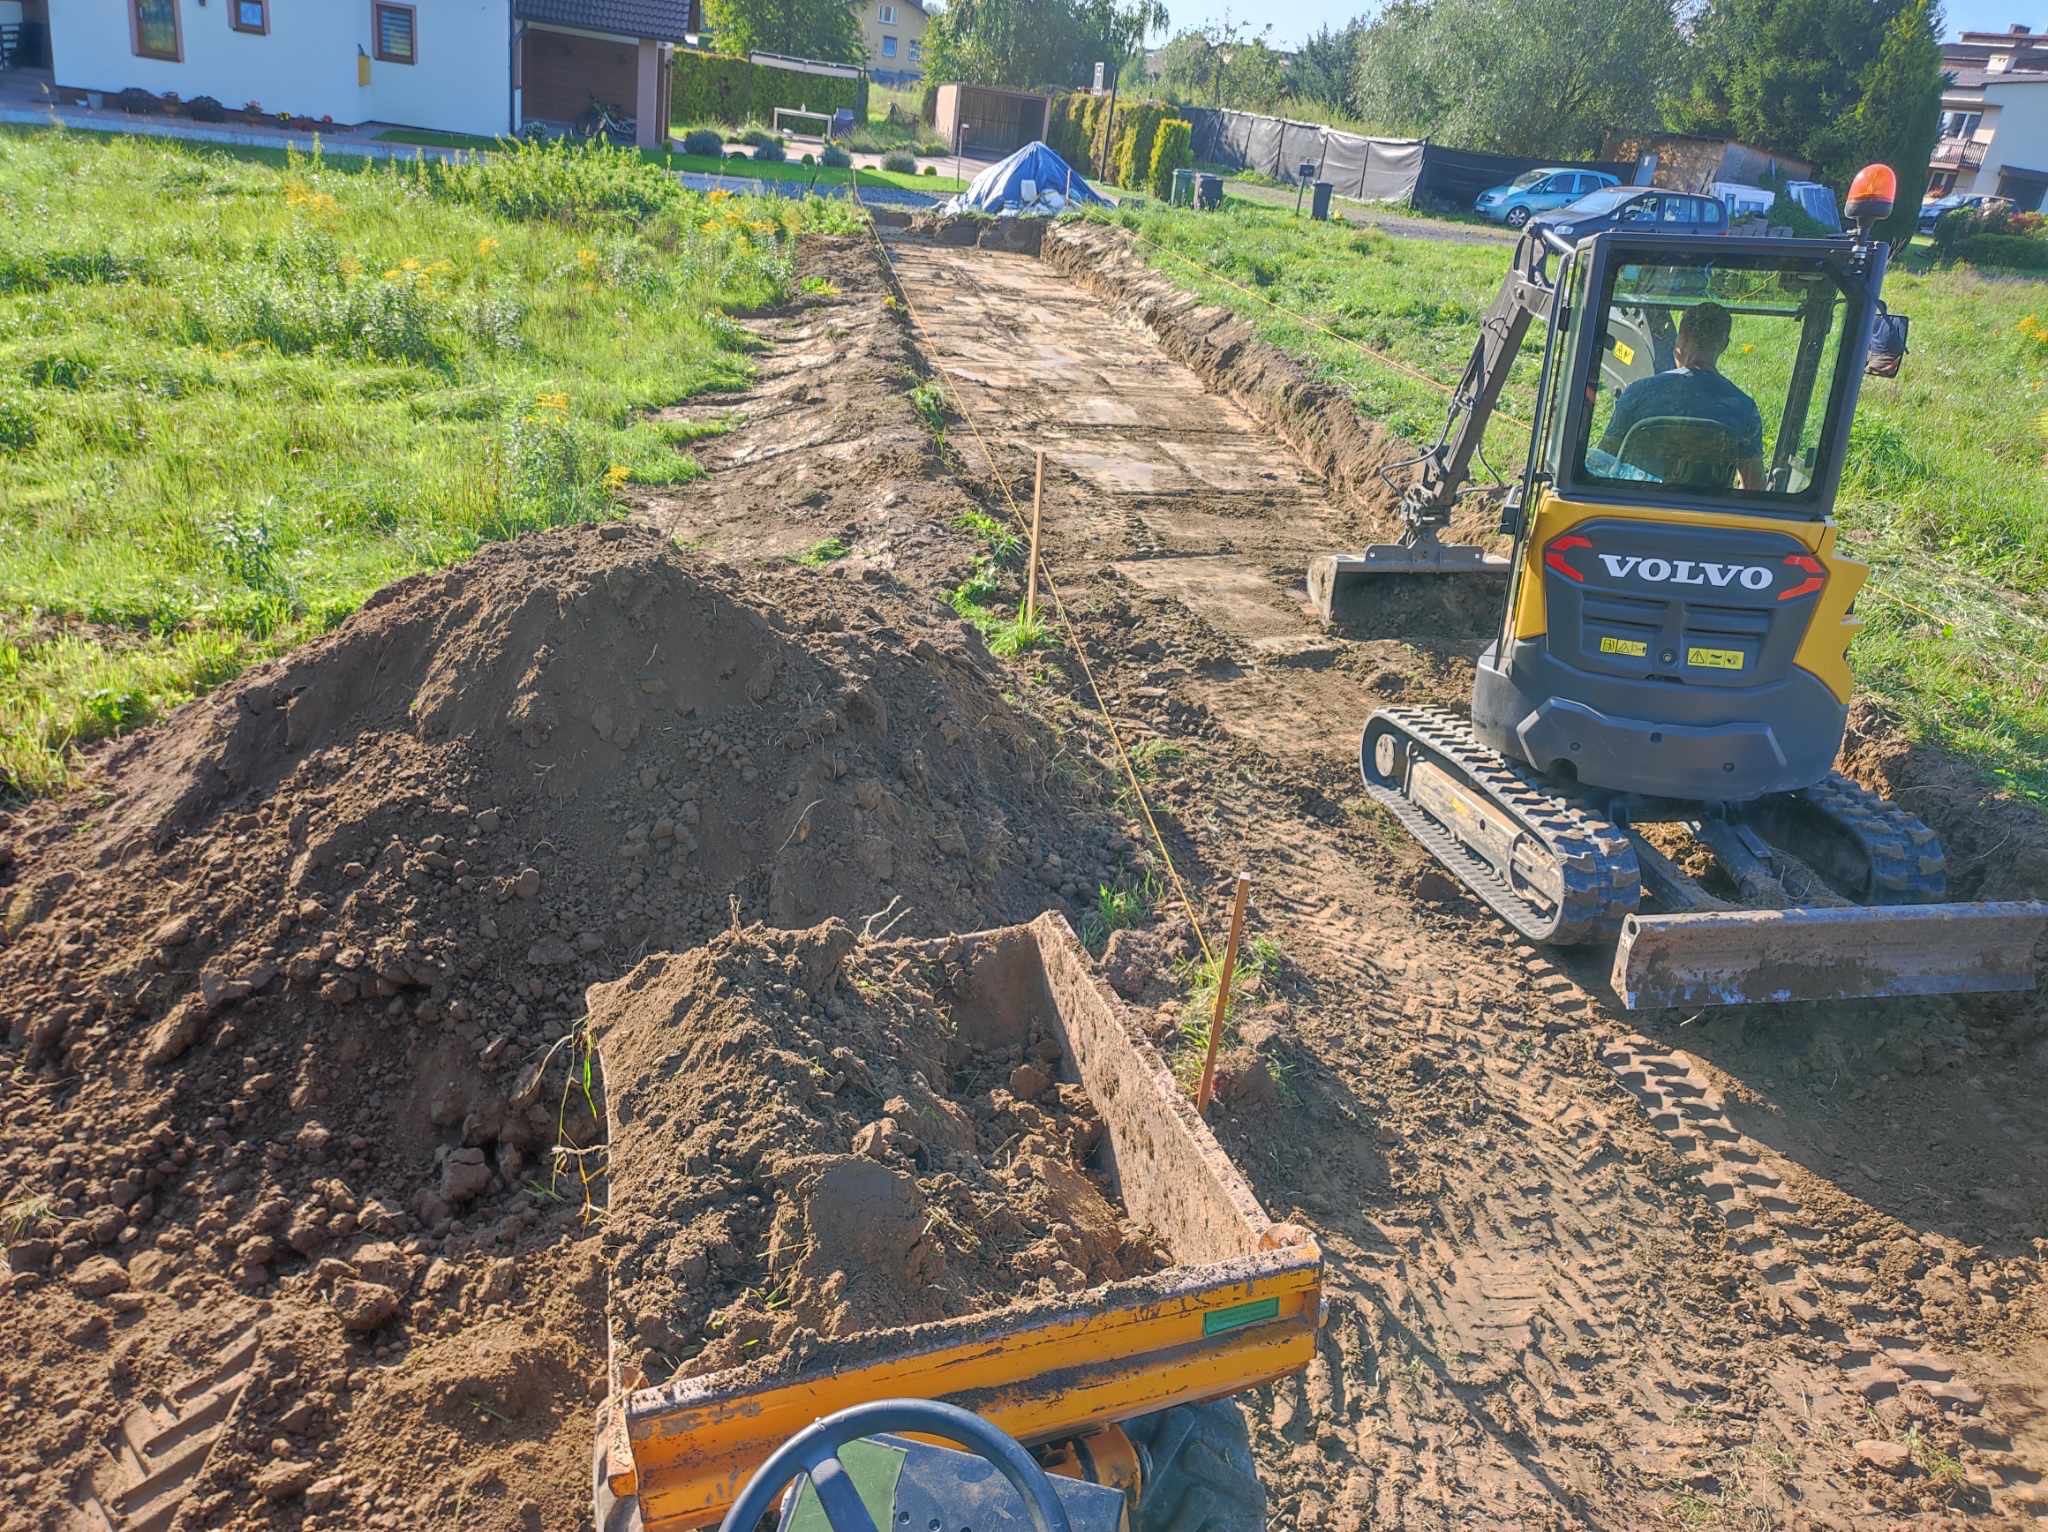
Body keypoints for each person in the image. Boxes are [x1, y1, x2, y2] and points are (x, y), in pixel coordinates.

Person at [1596, 301, 1765, 490]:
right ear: (1723, 346)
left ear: (1680, 340)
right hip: (1707, 516)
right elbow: (1754, 486)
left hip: (1638, 509)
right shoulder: (1743, 408)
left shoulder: (1638, 393)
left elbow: (1602, 463)